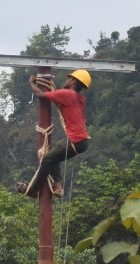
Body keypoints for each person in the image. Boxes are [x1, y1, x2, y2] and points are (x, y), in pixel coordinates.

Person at [16, 69, 91, 198]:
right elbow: (61, 101)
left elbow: (40, 94)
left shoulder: (67, 94)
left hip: (76, 140)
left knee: (47, 159)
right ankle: (58, 185)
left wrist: (31, 83)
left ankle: (34, 189)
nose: (67, 80)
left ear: (73, 81)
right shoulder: (79, 98)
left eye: (69, 78)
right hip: (83, 141)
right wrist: (54, 89)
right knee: (53, 155)